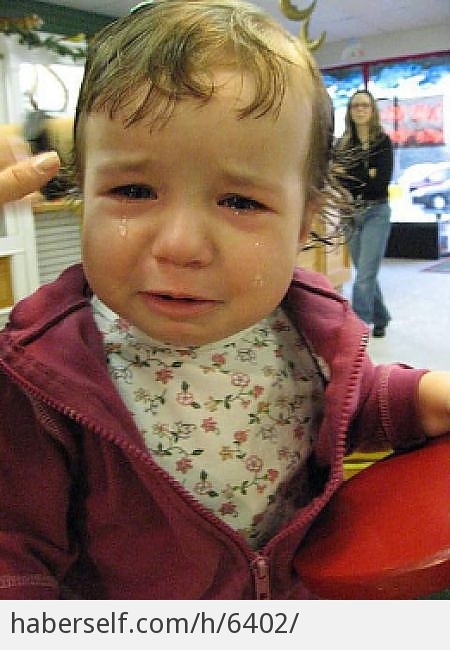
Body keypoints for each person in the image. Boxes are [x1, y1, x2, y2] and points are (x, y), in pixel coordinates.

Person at [0, 0, 449, 600]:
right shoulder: (42, 377)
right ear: (84, 192)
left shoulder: (307, 332)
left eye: (240, 202)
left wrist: (421, 397)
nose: (180, 245)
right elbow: (14, 554)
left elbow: (348, 403)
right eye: (133, 190)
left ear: (303, 223)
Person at [335, 90, 393, 337]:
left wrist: (351, 175)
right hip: (350, 213)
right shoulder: (343, 144)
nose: (360, 110)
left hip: (375, 212)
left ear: (372, 110)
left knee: (365, 276)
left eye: (365, 105)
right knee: (365, 273)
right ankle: (381, 317)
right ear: (349, 111)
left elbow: (380, 183)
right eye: (355, 105)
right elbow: (337, 179)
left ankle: (357, 329)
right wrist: (365, 174)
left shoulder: (382, 142)